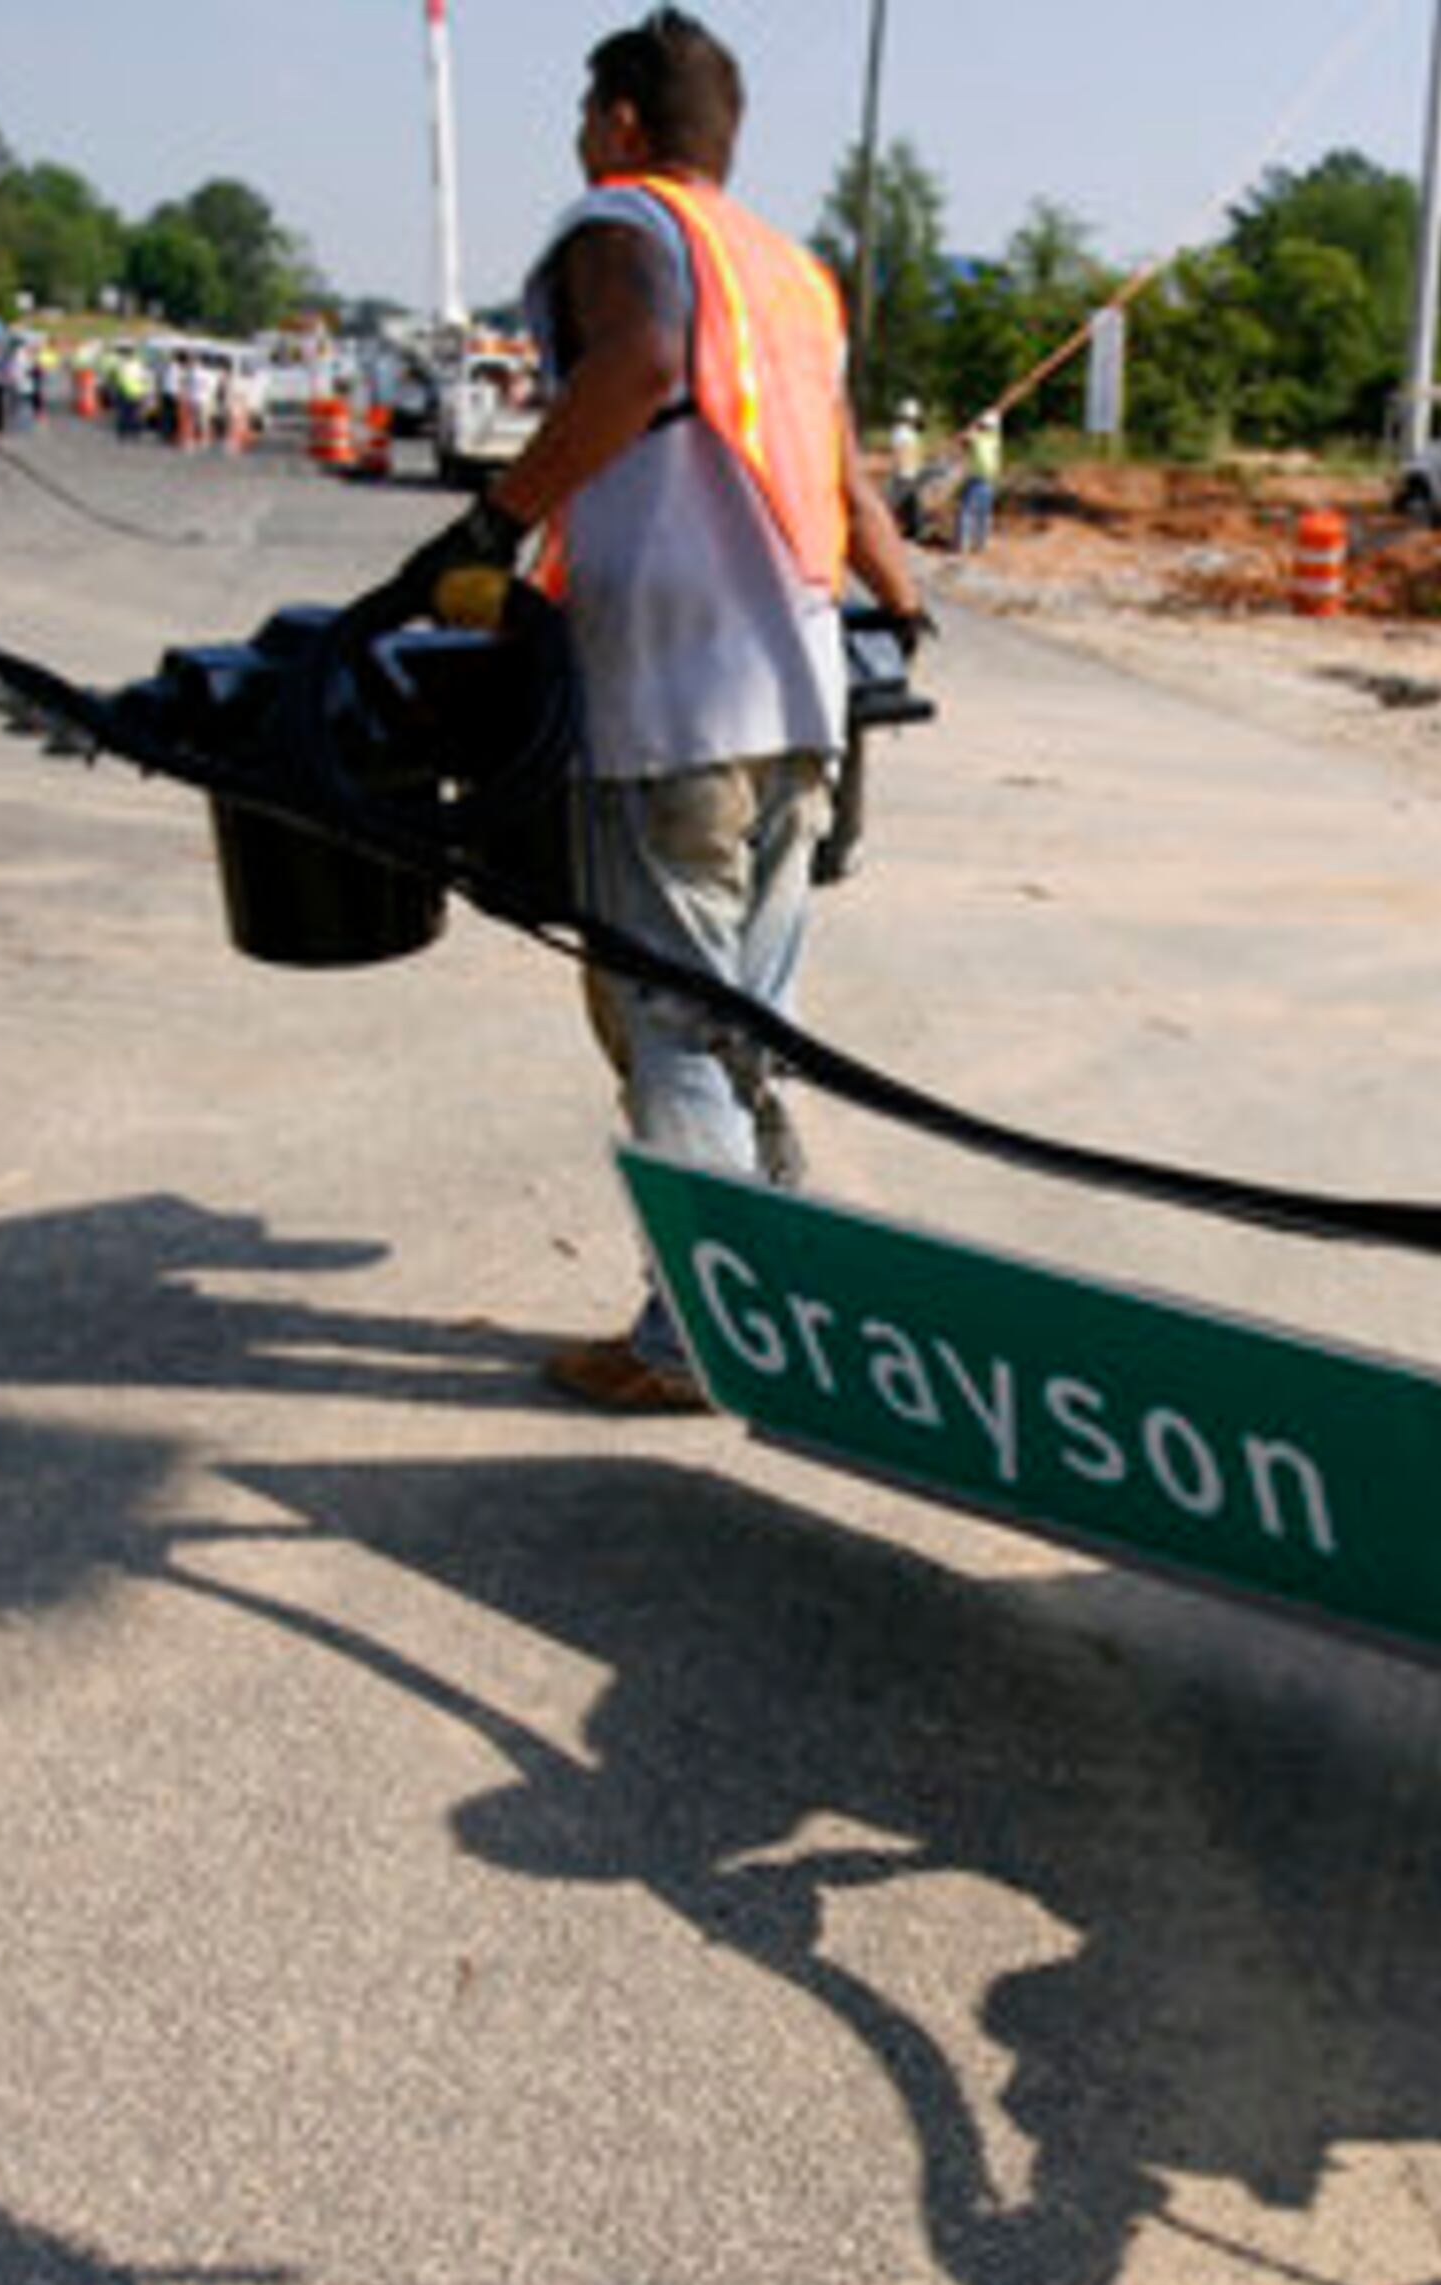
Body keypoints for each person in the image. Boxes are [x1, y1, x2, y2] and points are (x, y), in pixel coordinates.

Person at [365, 6, 926, 1412]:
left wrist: (493, 523)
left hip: (669, 692)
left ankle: (700, 1332)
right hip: (801, 694)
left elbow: (638, 371)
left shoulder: (621, 227)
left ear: (623, 121)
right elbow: (851, 485)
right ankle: (781, 1281)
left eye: (583, 111)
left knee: (667, 1019)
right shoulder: (792, 274)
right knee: (751, 1016)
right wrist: (903, 613)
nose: (576, 135)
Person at [956, 407, 1000, 554]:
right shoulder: (994, 440)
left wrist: (972, 426)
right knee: (984, 515)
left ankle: (963, 545)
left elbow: (961, 439)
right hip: (990, 482)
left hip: (977, 481)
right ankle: (980, 545)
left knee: (967, 513)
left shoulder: (978, 438)